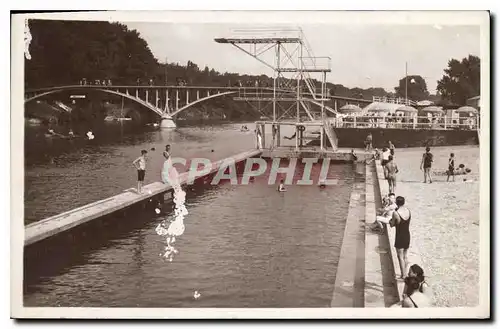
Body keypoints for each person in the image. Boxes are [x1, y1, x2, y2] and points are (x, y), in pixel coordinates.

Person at [390, 196, 411, 279]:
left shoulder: (396, 213)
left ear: (396, 203)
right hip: (407, 235)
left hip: (400, 236)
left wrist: (391, 221)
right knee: (405, 256)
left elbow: (392, 224)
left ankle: (403, 275)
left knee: (400, 256)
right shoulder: (408, 211)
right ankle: (405, 272)